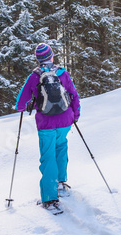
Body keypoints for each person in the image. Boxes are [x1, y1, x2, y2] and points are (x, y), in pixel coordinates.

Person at [16, 43, 81, 211]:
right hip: (65, 121)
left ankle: (49, 199)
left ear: (38, 60)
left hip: (46, 123)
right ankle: (61, 184)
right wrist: (76, 115)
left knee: (48, 157)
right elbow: (74, 95)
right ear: (52, 57)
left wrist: (23, 107)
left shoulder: (34, 76)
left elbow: (20, 103)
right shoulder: (62, 73)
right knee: (61, 148)